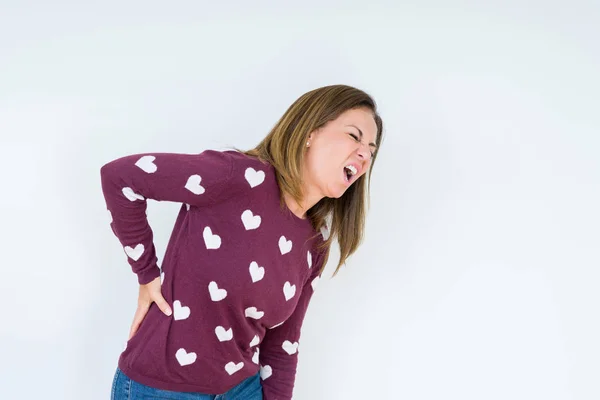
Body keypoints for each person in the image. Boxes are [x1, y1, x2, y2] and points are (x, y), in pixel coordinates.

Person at [100, 84, 383, 399]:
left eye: (371, 149)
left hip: (241, 389)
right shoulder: (239, 177)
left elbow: (282, 346)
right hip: (163, 386)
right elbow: (120, 177)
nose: (364, 154)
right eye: (354, 136)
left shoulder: (314, 243)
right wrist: (147, 274)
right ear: (310, 133)